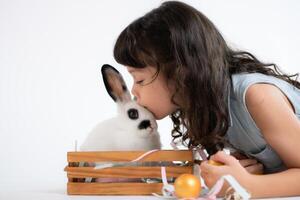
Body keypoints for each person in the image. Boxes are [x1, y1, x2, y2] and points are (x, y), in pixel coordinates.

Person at [112, 1, 300, 198]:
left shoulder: (258, 96)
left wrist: (249, 185)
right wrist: (248, 174)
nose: (134, 91)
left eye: (139, 79)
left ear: (180, 72)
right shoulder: (210, 108)